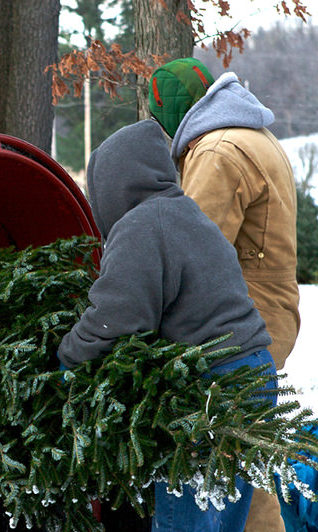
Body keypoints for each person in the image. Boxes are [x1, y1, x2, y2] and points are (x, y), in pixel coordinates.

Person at [56, 120, 276, 532]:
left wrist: (66, 357)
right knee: (221, 522)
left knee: (185, 523)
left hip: (212, 392)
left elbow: (117, 317)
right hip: (253, 378)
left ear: (114, 182)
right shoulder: (185, 213)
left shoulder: (142, 225)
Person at [149, 57, 300, 532]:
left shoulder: (218, 152)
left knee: (223, 466)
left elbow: (194, 249)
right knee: (246, 467)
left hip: (235, 327)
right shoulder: (252, 134)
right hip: (269, 312)